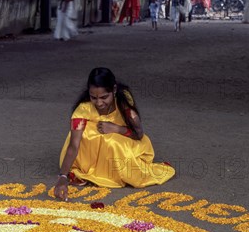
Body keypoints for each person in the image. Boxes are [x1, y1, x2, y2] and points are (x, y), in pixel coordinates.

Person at [54, 68, 175, 201]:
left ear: (114, 90)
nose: (99, 103)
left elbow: (139, 134)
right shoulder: (83, 109)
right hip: (92, 152)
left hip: (125, 142)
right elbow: (74, 145)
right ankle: (94, 171)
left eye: (104, 97)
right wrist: (63, 177)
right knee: (84, 133)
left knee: (112, 141)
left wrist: (117, 129)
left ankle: (112, 174)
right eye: (93, 98)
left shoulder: (124, 101)